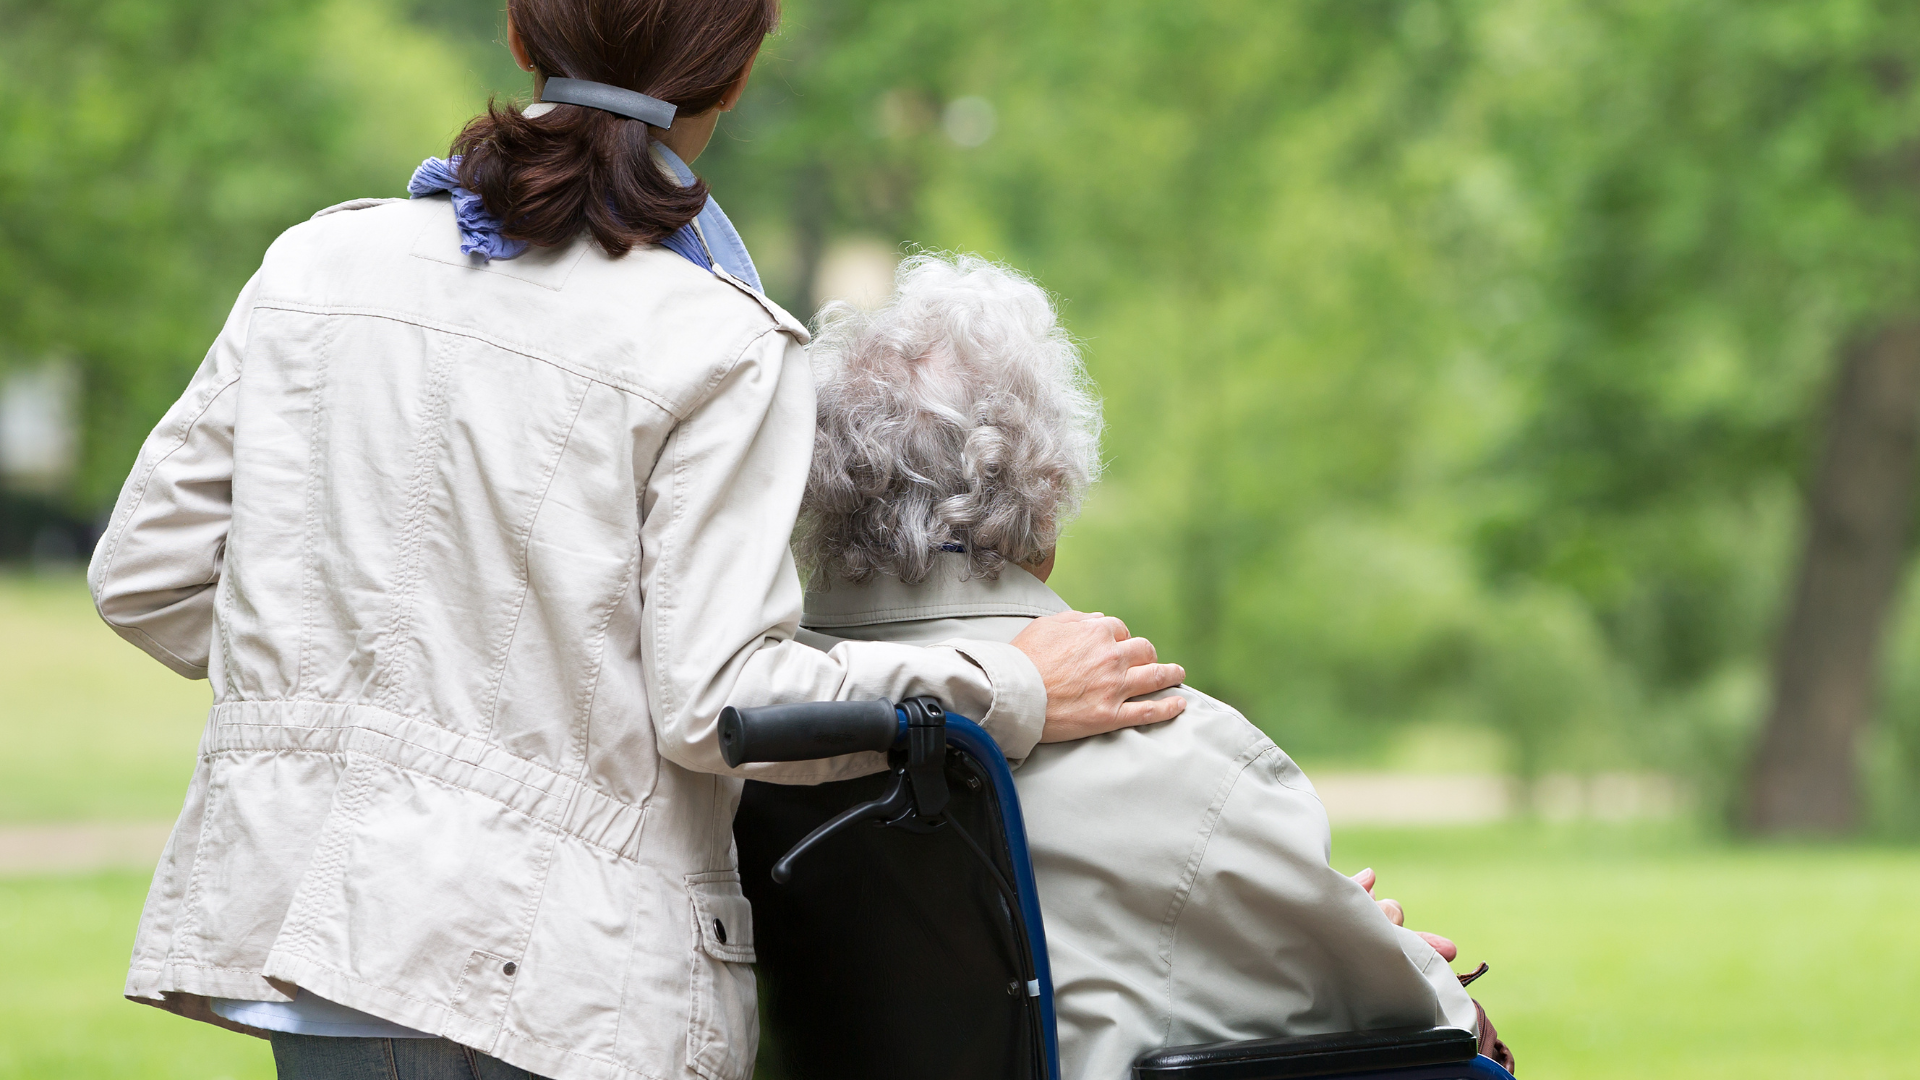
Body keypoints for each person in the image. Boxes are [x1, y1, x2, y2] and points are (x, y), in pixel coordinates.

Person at [86, 5, 1187, 1080]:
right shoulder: (715, 337)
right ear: (736, 75)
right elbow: (722, 703)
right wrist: (1010, 689)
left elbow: (146, 578)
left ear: (520, 38)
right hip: (558, 968)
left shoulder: (312, 268)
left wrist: (372, 681)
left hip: (314, 937)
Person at [793, 255, 1514, 1078]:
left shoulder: (754, 724)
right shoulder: (1176, 750)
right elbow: (1445, 1031)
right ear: (1048, 488)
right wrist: (1378, 957)